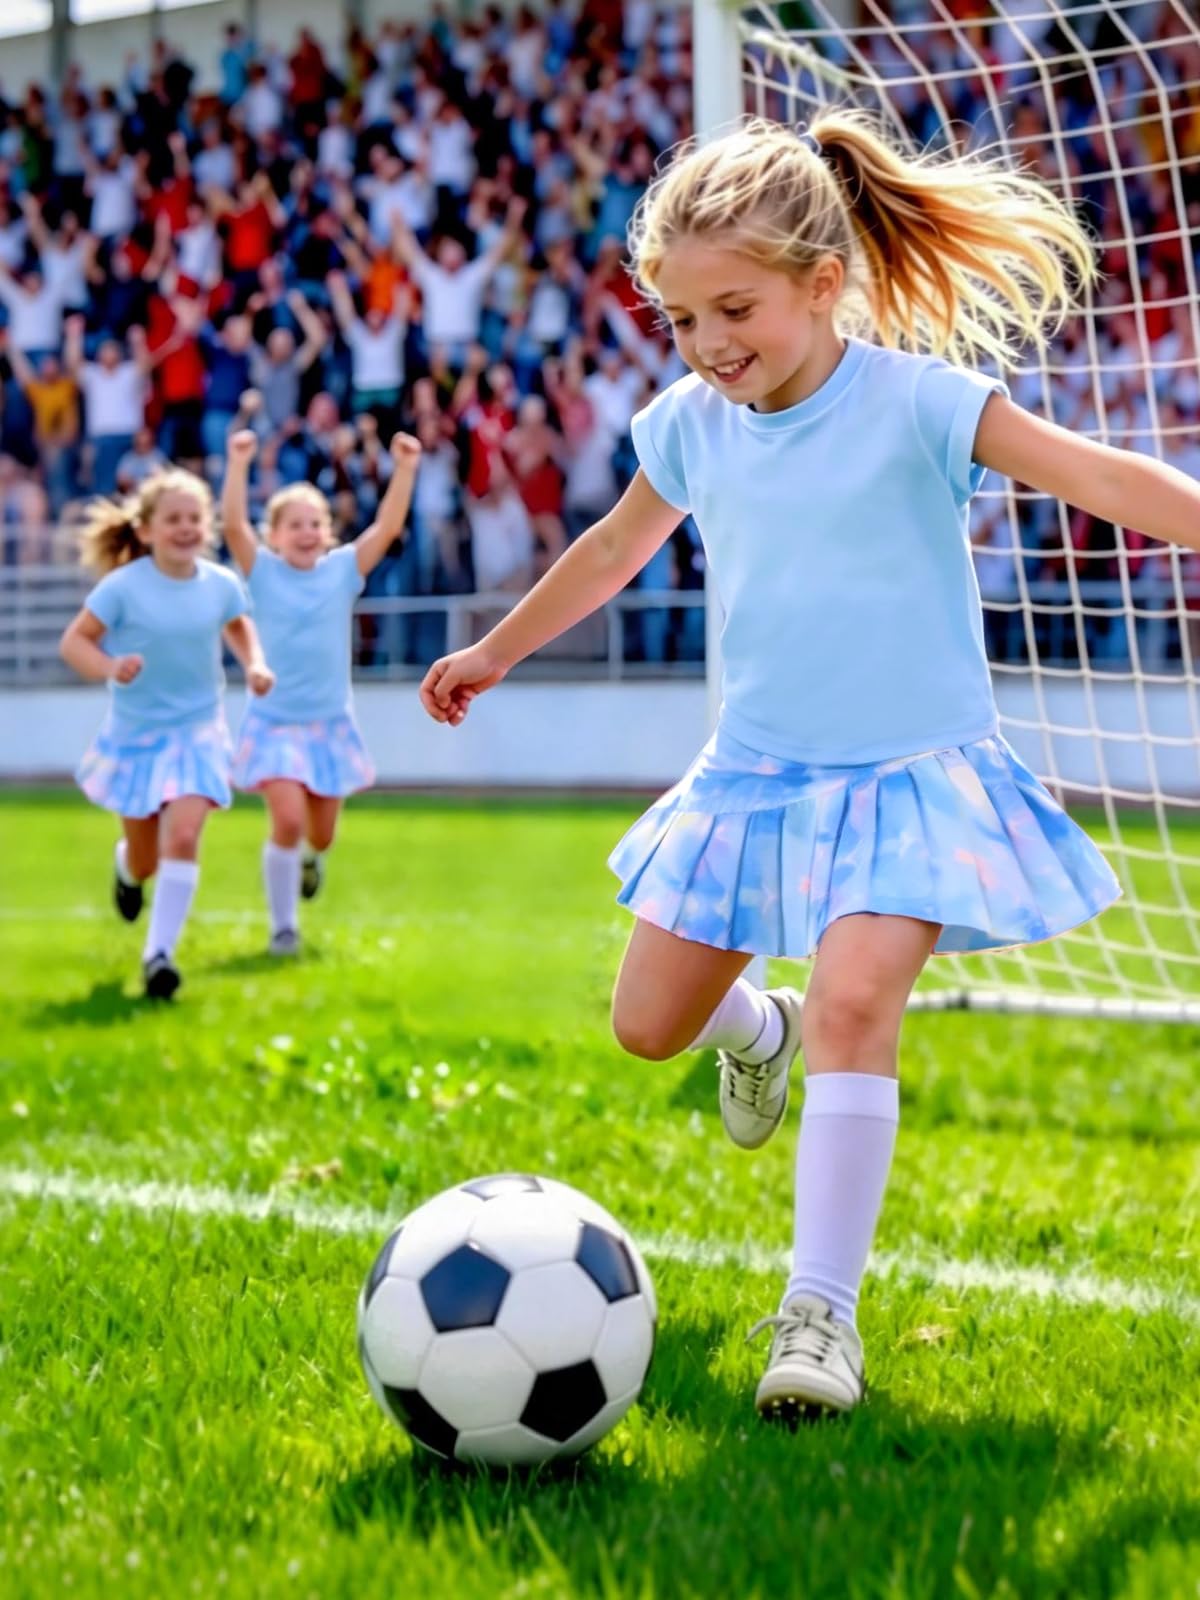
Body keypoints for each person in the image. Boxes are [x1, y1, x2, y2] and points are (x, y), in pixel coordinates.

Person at [420, 113, 1200, 1424]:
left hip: (913, 775)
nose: (711, 343)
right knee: (649, 1025)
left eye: (736, 308)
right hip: (756, 780)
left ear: (821, 282)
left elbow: (1100, 480)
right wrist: (496, 649)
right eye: (680, 320)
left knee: (856, 1002)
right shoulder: (690, 425)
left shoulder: (920, 403)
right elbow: (613, 551)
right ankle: (757, 1032)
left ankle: (819, 1317)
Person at [58, 467, 274, 999]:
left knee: (183, 834)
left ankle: (159, 957)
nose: (184, 528)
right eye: (172, 519)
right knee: (146, 856)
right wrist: (109, 667)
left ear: (207, 527)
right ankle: (127, 871)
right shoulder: (123, 587)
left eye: (193, 518)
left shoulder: (221, 583)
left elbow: (239, 626)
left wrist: (255, 665)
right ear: (148, 529)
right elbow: (75, 643)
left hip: (199, 732)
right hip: (136, 736)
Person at [220, 428, 421, 953]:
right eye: (295, 525)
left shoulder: (341, 571)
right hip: (275, 721)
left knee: (322, 832)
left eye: (316, 523)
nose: (308, 532)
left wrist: (404, 469)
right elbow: (233, 524)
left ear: (328, 532)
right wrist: (239, 462)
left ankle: (314, 861)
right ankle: (283, 927)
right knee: (287, 819)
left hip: (330, 722)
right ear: (276, 536)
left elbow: (387, 526)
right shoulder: (261, 571)